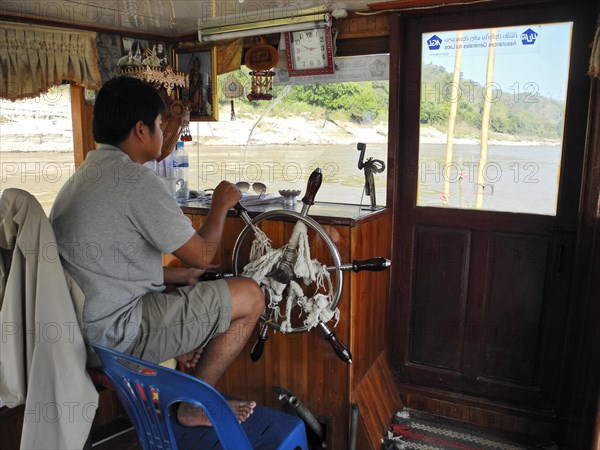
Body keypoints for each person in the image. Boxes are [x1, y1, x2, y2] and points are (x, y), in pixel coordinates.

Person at [50, 76, 264, 426]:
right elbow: (204, 254)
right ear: (140, 130)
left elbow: (100, 263)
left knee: (188, 288)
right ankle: (193, 407)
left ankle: (184, 359)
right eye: (160, 125)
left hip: (84, 331)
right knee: (251, 296)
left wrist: (175, 275)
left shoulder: (81, 178)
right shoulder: (135, 181)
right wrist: (221, 204)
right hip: (119, 336)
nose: (164, 134)